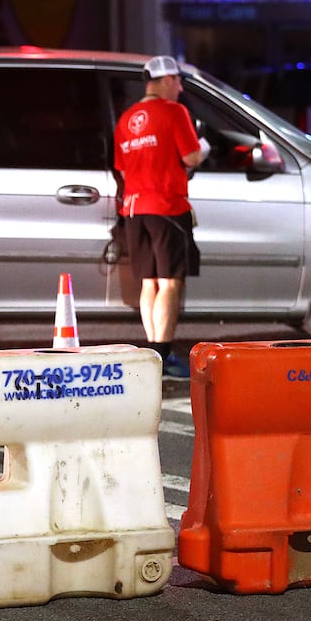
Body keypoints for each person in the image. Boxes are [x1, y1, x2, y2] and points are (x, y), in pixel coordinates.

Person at [113, 55, 209, 379]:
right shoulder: (174, 112)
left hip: (134, 208)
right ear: (166, 79)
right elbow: (191, 156)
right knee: (170, 283)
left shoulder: (126, 119)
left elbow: (123, 168)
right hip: (167, 206)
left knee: (149, 282)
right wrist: (204, 147)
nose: (180, 88)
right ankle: (163, 354)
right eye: (178, 81)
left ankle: (153, 354)